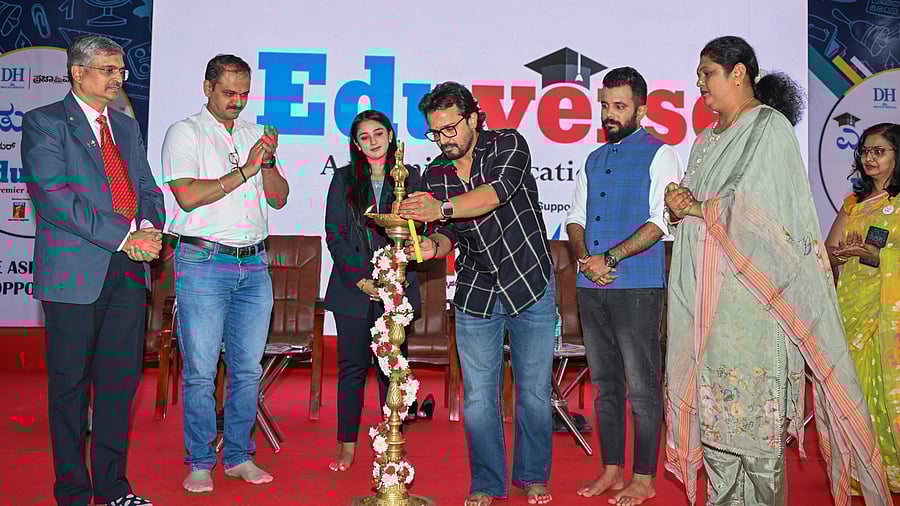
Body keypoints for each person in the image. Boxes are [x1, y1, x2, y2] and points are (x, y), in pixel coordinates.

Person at [664, 35, 890, 505]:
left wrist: (697, 206)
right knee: (717, 436)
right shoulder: (705, 140)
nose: (700, 83)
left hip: (752, 306)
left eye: (708, 73)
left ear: (739, 73)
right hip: (704, 308)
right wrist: (677, 204)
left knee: (755, 441)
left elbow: (762, 215)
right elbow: (697, 205)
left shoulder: (770, 128)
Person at [21, 35, 164, 506]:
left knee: (119, 387)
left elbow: (147, 188)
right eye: (107, 69)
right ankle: (73, 493)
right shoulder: (44, 124)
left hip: (127, 272)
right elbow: (55, 197)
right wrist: (127, 235)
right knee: (69, 389)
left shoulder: (125, 126)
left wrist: (147, 227)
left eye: (121, 70)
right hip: (73, 276)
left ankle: (114, 488)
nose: (117, 78)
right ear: (77, 73)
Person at [398, 82, 555, 506]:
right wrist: (432, 246)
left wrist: (441, 209)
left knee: (535, 391)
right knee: (480, 398)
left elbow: (494, 195)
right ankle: (486, 483)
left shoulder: (508, 145)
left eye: (451, 128)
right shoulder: (434, 174)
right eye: (436, 132)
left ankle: (533, 475)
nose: (444, 139)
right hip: (476, 292)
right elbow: (448, 233)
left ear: (473, 118)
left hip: (530, 284)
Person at [161, 53, 290, 494]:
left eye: (244, 94)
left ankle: (238, 456)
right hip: (202, 262)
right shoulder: (185, 132)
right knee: (199, 370)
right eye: (228, 93)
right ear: (207, 88)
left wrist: (268, 164)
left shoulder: (257, 135)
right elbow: (188, 197)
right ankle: (199, 461)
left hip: (254, 264)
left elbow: (279, 199)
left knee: (247, 370)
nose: (237, 101)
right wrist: (244, 170)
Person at [566, 67, 683, 505]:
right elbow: (575, 217)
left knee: (642, 386)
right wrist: (585, 260)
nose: (609, 114)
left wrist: (609, 258)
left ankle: (645, 477)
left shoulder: (661, 153)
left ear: (641, 109)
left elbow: (661, 221)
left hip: (636, 287)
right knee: (605, 385)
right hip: (591, 286)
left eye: (619, 106)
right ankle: (612, 470)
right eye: (604, 106)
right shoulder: (594, 158)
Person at [324, 109, 422, 472]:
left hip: (396, 288)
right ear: (355, 144)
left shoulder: (411, 178)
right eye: (364, 136)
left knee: (391, 369)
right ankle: (346, 445)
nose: (373, 141)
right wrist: (363, 279)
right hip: (353, 288)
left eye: (378, 133)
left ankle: (392, 441)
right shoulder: (343, 178)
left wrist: (390, 278)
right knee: (351, 368)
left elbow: (419, 232)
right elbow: (335, 233)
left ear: (391, 136)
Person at [826, 123, 900, 491]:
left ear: (896, 156)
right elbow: (830, 248)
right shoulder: (853, 202)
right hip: (851, 303)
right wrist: (844, 252)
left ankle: (891, 467)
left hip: (889, 312)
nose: (869, 158)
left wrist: (878, 255)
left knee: (885, 383)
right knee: (853, 384)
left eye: (879, 152)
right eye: (865, 152)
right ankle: (859, 469)